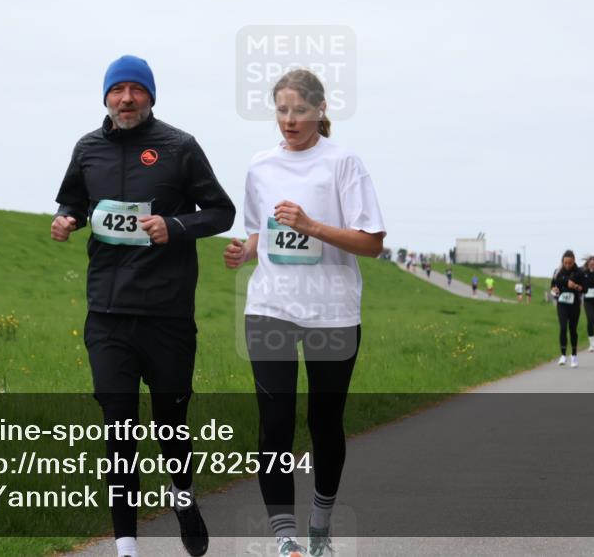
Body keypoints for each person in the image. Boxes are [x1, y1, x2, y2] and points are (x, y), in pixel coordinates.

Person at [53, 55, 236, 557]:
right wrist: (67, 220)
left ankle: (182, 497)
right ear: (106, 97)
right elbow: (73, 201)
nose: (126, 98)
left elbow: (222, 212)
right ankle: (127, 545)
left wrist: (174, 226)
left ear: (151, 97)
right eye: (118, 90)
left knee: (170, 421)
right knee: (118, 424)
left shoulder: (180, 147)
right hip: (107, 313)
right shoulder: (87, 148)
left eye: (136, 89)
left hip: (167, 314)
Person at [223, 69, 386, 557]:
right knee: (274, 422)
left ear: (320, 110)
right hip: (270, 307)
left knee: (324, 421)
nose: (289, 120)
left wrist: (313, 225)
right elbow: (264, 230)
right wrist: (246, 251)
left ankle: (319, 526)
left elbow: (372, 243)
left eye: (299, 110)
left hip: (332, 312)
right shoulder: (260, 165)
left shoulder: (343, 164)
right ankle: (285, 539)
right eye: (281, 110)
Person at [550, 251, 586, 368]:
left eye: (570, 263)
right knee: (563, 327)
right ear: (562, 261)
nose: (567, 265)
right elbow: (553, 285)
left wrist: (576, 286)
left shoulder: (579, 272)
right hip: (562, 303)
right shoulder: (558, 271)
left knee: (572, 329)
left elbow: (584, 288)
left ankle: (574, 355)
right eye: (565, 263)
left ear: (574, 261)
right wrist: (554, 290)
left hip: (574, 304)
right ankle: (563, 355)